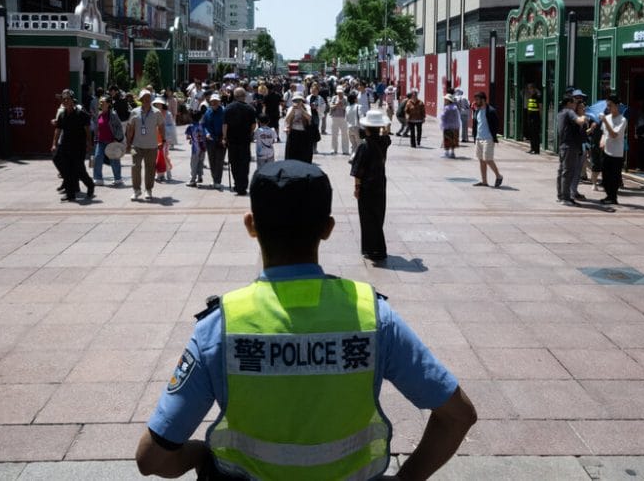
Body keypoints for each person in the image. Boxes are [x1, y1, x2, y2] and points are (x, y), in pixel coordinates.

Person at [134, 161, 477, 480]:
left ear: (251, 225)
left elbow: (152, 459)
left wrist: (199, 454)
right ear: (327, 229)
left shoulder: (220, 326)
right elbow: (458, 415)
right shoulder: (373, 316)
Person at [351, 109, 393, 261]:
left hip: (367, 186)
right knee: (378, 215)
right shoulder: (384, 141)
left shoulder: (364, 146)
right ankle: (374, 247)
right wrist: (384, 124)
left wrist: (356, 188)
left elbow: (358, 171)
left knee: (367, 217)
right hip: (380, 183)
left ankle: (373, 249)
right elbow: (387, 133)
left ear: (366, 128)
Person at [53, 89, 95, 202]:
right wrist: (54, 144)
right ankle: (70, 194)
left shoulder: (81, 114)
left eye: (68, 99)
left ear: (73, 100)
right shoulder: (62, 115)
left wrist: (89, 144)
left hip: (78, 147)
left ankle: (90, 185)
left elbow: (87, 130)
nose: (65, 101)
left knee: (79, 170)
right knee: (66, 169)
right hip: (65, 146)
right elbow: (57, 130)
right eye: (64, 99)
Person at [125, 89, 165, 201]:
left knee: (150, 169)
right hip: (136, 146)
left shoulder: (157, 112)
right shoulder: (134, 112)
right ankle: (136, 190)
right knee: (135, 167)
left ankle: (148, 190)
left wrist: (163, 140)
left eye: (148, 98)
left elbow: (161, 126)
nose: (147, 100)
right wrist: (128, 143)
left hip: (152, 146)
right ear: (141, 99)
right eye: (144, 98)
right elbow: (130, 128)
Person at [223, 87, 258, 196]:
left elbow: (225, 125)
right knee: (244, 163)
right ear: (244, 96)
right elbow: (254, 125)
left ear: (234, 96)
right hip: (245, 140)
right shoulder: (250, 109)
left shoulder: (228, 108)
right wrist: (249, 132)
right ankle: (243, 185)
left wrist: (224, 137)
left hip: (232, 140)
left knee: (234, 162)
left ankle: (237, 184)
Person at [556, 92, 588, 206]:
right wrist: (583, 116)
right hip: (570, 147)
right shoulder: (569, 112)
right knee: (568, 172)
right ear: (569, 103)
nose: (575, 105)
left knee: (562, 171)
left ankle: (560, 196)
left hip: (563, 146)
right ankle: (566, 198)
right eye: (574, 103)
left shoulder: (560, 113)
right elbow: (579, 120)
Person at [598, 95, 627, 206]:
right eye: (607, 106)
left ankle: (613, 197)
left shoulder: (622, 120)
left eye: (610, 105)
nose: (608, 108)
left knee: (614, 177)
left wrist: (605, 121)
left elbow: (614, 134)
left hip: (617, 153)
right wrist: (602, 140)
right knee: (605, 177)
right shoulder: (608, 117)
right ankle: (608, 196)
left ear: (617, 106)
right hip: (606, 150)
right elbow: (604, 133)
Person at [472, 92, 503, 188]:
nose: (475, 101)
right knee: (481, 160)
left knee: (488, 159)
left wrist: (493, 135)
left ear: (483, 100)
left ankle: (499, 176)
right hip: (479, 138)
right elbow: (476, 125)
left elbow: (496, 124)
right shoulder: (477, 111)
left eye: (477, 99)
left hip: (488, 139)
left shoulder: (491, 111)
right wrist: (475, 136)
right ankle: (484, 181)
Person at [92, 95, 124, 187]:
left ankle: (118, 179)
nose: (101, 103)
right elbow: (97, 128)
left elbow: (119, 127)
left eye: (103, 102)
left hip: (112, 141)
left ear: (108, 104)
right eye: (100, 102)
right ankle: (98, 179)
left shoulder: (113, 115)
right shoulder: (99, 114)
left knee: (114, 160)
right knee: (98, 158)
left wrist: (116, 139)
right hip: (100, 141)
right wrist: (95, 138)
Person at [203, 94, 226, 190]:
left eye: (216, 101)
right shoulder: (207, 112)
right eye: (213, 101)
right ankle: (214, 179)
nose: (214, 103)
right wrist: (207, 133)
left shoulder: (224, 111)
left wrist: (224, 137)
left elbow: (226, 125)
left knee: (219, 161)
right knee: (212, 160)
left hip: (221, 140)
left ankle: (218, 181)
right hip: (210, 140)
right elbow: (204, 125)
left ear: (219, 102)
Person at [283, 92, 313, 163]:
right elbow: (287, 120)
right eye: (295, 100)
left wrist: (302, 109)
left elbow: (309, 118)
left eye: (299, 100)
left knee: (304, 156)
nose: (297, 102)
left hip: (304, 133)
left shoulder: (307, 107)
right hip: (293, 132)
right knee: (291, 155)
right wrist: (293, 110)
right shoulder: (291, 108)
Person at [185, 108, 207, 187]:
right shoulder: (202, 126)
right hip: (203, 148)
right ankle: (200, 176)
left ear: (191, 117)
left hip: (195, 149)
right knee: (201, 163)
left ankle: (192, 180)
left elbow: (188, 137)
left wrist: (191, 138)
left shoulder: (190, 127)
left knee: (193, 164)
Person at [329, 86, 349, 155]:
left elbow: (348, 107)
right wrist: (336, 105)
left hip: (343, 118)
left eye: (341, 92)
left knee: (345, 134)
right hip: (334, 117)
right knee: (334, 134)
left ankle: (345, 150)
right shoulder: (334, 98)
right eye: (338, 92)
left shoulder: (346, 98)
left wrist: (342, 106)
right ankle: (333, 149)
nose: (339, 94)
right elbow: (331, 106)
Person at [440, 93, 460, 158]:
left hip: (447, 126)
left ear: (448, 100)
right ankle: (452, 153)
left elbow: (443, 116)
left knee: (447, 140)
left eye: (445, 100)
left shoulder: (446, 108)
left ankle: (446, 153)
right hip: (455, 126)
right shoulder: (455, 107)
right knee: (453, 140)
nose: (444, 101)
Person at [524, 82, 542, 154]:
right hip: (530, 117)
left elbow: (540, 107)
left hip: (536, 117)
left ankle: (536, 150)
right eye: (528, 88)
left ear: (534, 89)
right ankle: (532, 148)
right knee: (531, 134)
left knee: (535, 134)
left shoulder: (538, 96)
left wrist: (540, 117)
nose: (529, 90)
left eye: (531, 88)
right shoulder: (531, 96)